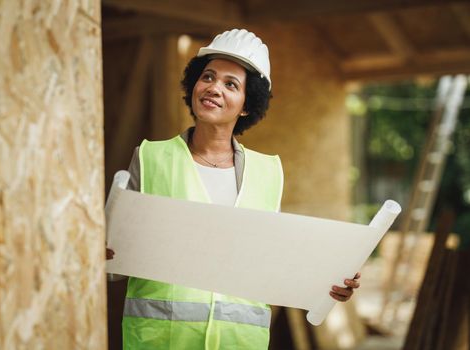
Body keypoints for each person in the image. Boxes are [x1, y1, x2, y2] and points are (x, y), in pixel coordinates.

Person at [107, 28, 361, 350]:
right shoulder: (150, 157)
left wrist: (327, 283)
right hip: (161, 341)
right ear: (194, 85)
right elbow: (114, 260)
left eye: (231, 84)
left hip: (240, 343)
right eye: (208, 77)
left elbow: (271, 263)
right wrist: (100, 251)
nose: (214, 88)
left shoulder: (268, 173)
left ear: (246, 105)